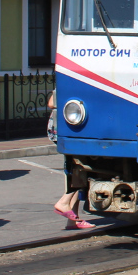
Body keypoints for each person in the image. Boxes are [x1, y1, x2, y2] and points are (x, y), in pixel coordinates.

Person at [48, 91, 94, 229]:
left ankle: (73, 219)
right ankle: (64, 202)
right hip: (70, 130)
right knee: (80, 169)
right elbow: (51, 103)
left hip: (67, 129)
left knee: (76, 169)